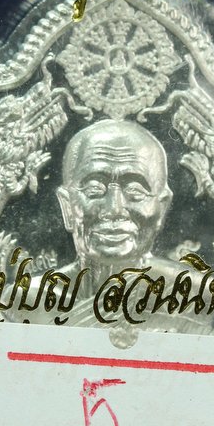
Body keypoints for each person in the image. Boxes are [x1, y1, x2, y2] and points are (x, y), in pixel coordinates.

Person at [55, 119, 174, 294]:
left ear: (161, 209)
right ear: (67, 207)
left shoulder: (197, 297)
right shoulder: (28, 300)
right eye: (94, 189)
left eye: (135, 191)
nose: (114, 210)